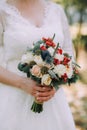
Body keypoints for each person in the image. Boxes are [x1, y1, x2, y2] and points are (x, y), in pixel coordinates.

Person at [0, 0, 76, 129]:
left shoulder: (56, 10)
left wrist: (54, 86)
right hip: (13, 100)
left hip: (53, 102)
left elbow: (69, 54)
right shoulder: (3, 10)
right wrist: (22, 83)